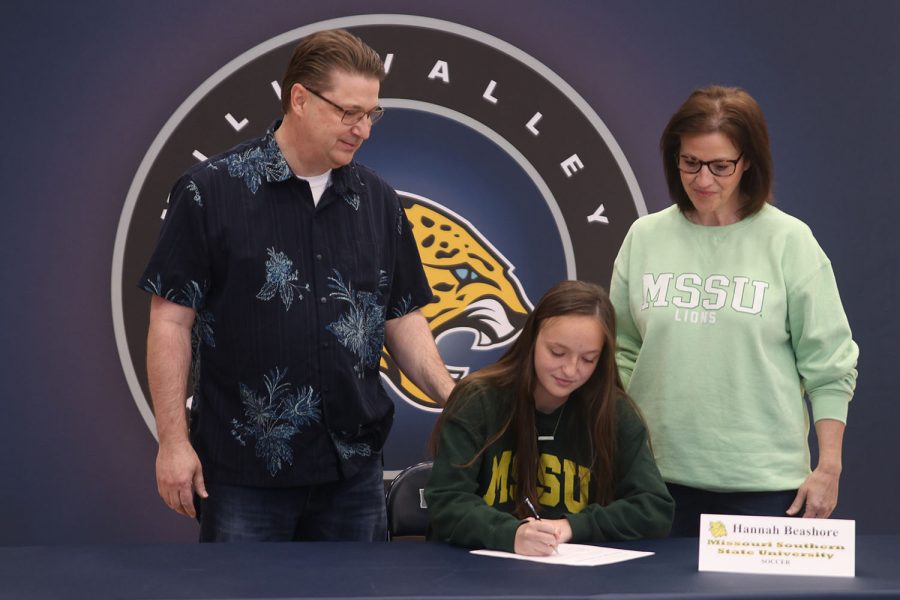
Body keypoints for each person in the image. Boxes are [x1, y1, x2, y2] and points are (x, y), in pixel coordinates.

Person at [140, 29, 455, 542]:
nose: (362, 130)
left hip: (353, 472)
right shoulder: (209, 191)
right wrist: (172, 442)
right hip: (244, 475)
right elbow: (171, 320)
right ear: (300, 99)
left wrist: (449, 393)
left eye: (371, 114)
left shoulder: (378, 200)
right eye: (348, 112)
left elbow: (401, 314)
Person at [610, 85, 859, 536]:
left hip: (765, 487)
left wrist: (829, 468)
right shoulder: (643, 238)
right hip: (653, 482)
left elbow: (829, 367)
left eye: (721, 166)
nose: (703, 180)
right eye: (690, 163)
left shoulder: (790, 241)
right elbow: (621, 352)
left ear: (748, 162)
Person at [425, 280, 673, 556]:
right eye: (557, 352)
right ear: (531, 340)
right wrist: (511, 533)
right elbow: (446, 501)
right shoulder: (478, 400)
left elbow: (654, 508)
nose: (570, 369)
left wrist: (571, 526)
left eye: (588, 359)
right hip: (476, 576)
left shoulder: (613, 412)